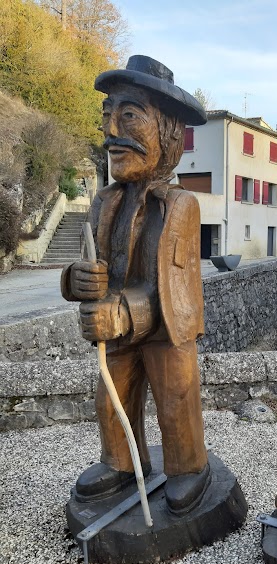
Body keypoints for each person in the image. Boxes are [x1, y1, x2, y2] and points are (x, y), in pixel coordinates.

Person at [61, 55, 210, 515]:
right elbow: (90, 263)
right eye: (108, 116)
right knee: (111, 399)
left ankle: (189, 468)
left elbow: (173, 285)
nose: (112, 130)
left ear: (167, 133)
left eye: (129, 116)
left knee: (176, 400)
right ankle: (122, 463)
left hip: (166, 328)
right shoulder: (103, 201)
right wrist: (76, 280)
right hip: (117, 328)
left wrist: (123, 311)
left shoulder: (180, 205)